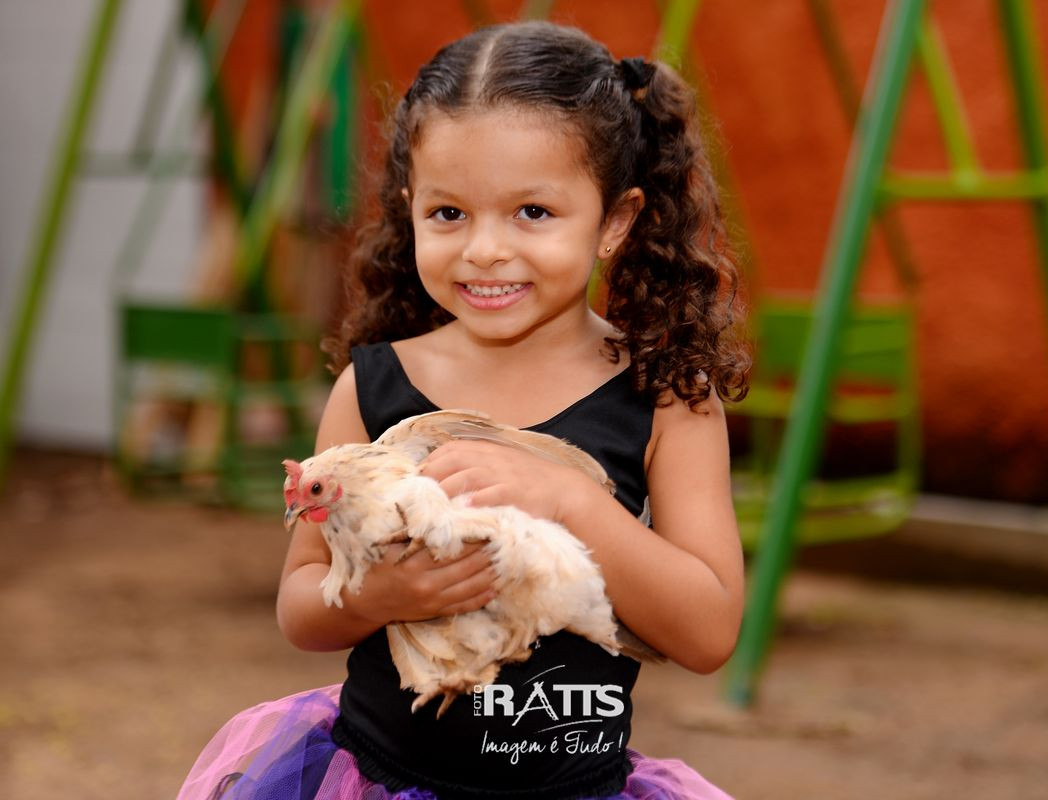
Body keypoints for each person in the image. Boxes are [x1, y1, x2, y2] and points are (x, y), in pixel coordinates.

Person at [178, 20, 749, 800]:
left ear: (614, 220)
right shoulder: (372, 389)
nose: (484, 250)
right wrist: (378, 597)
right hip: (377, 778)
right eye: (448, 214)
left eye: (532, 212)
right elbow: (300, 605)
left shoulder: (667, 396)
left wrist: (571, 500)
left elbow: (709, 632)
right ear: (410, 208)